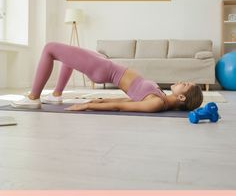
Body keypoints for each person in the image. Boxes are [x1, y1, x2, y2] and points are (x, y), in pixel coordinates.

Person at [11, 42, 203, 112]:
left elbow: (121, 106)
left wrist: (88, 105)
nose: (180, 81)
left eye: (185, 85)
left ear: (182, 97)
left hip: (103, 69)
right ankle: (56, 94)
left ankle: (33, 97)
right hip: (105, 64)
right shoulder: (160, 96)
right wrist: (99, 98)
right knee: (68, 56)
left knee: (50, 48)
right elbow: (128, 98)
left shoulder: (157, 103)